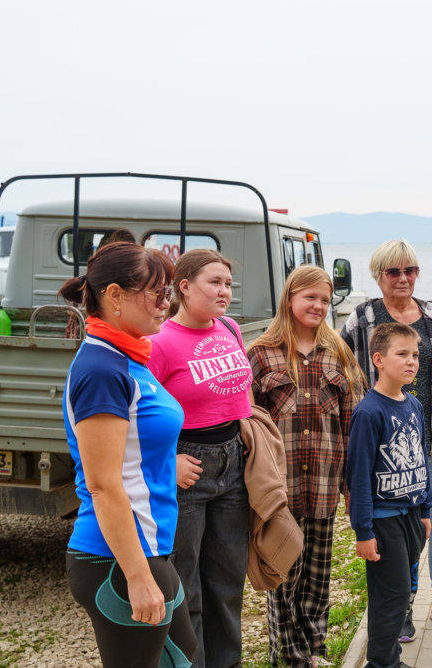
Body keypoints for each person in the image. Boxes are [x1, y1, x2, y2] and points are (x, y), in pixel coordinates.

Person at [59, 241, 195, 667]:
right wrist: (137, 577)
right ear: (114, 295)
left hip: (148, 548)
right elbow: (102, 484)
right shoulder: (103, 369)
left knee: (183, 657)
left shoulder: (128, 356)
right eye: (156, 294)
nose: (166, 304)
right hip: (116, 557)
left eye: (168, 293)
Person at [340, 239, 432, 639]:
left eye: (410, 271)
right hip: (385, 449)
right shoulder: (362, 318)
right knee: (397, 534)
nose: (403, 278)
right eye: (393, 272)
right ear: (378, 276)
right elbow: (346, 373)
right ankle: (400, 605)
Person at [248, 266, 365, 668]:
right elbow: (250, 428)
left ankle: (313, 649)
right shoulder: (260, 353)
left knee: (316, 574)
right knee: (282, 575)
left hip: (324, 485)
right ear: (290, 298)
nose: (318, 305)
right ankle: (289, 654)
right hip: (278, 490)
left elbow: (352, 424)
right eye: (309, 297)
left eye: (324, 299)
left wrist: (352, 488)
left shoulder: (339, 353)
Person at [147, 249, 253, 668]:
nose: (224, 291)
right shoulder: (159, 344)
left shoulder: (229, 328)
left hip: (232, 464)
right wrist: (167, 460)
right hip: (187, 466)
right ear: (184, 287)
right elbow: (138, 416)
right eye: (215, 282)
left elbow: (239, 390)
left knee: (227, 582)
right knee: (186, 586)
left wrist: (245, 433)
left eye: (228, 283)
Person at [346, 323, 432, 668]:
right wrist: (363, 532)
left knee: (403, 591)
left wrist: (426, 508)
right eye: (402, 354)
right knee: (390, 595)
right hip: (383, 521)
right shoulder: (369, 412)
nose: (412, 362)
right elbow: (359, 476)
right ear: (379, 359)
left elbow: (421, 459)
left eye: (415, 355)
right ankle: (381, 663)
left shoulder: (413, 404)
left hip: (412, 516)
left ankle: (387, 660)